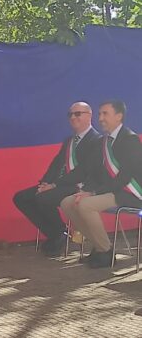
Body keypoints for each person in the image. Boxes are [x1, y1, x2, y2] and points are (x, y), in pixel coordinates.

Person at [59, 100, 142, 268]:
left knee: (86, 205)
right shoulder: (104, 141)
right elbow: (97, 172)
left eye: (105, 114)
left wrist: (94, 193)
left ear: (119, 116)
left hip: (131, 193)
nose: (101, 118)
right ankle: (99, 246)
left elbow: (125, 176)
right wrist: (86, 190)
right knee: (68, 203)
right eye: (99, 114)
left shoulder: (129, 139)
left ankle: (105, 252)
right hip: (114, 191)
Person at [13, 102, 102, 256]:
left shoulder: (97, 140)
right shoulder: (69, 141)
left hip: (81, 186)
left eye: (78, 114)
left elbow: (83, 171)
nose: (73, 117)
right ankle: (57, 233)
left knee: (44, 198)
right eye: (70, 115)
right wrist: (45, 183)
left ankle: (59, 234)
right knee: (21, 198)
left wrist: (54, 185)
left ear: (89, 116)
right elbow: (56, 164)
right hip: (61, 185)